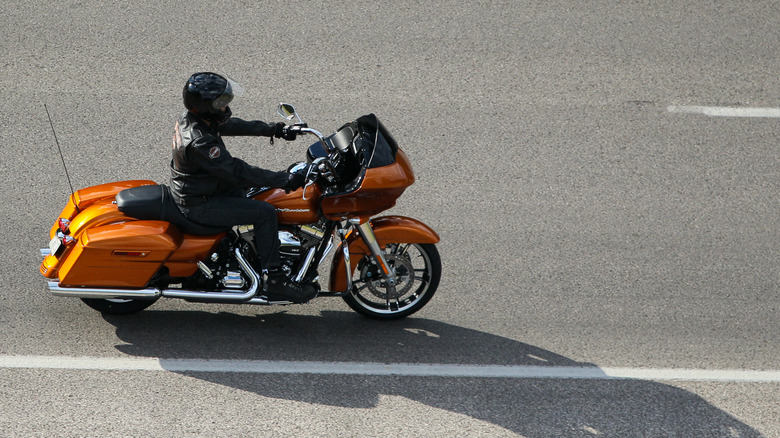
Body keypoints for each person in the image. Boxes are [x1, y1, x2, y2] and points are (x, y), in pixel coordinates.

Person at [170, 71, 316, 303]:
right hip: (199, 202)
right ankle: (275, 279)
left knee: (262, 194)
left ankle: (252, 254)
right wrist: (284, 179)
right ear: (206, 106)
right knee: (265, 212)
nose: (225, 106)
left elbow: (231, 125)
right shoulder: (200, 141)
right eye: (221, 102)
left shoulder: (197, 119)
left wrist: (275, 129)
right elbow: (237, 171)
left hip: (205, 187)